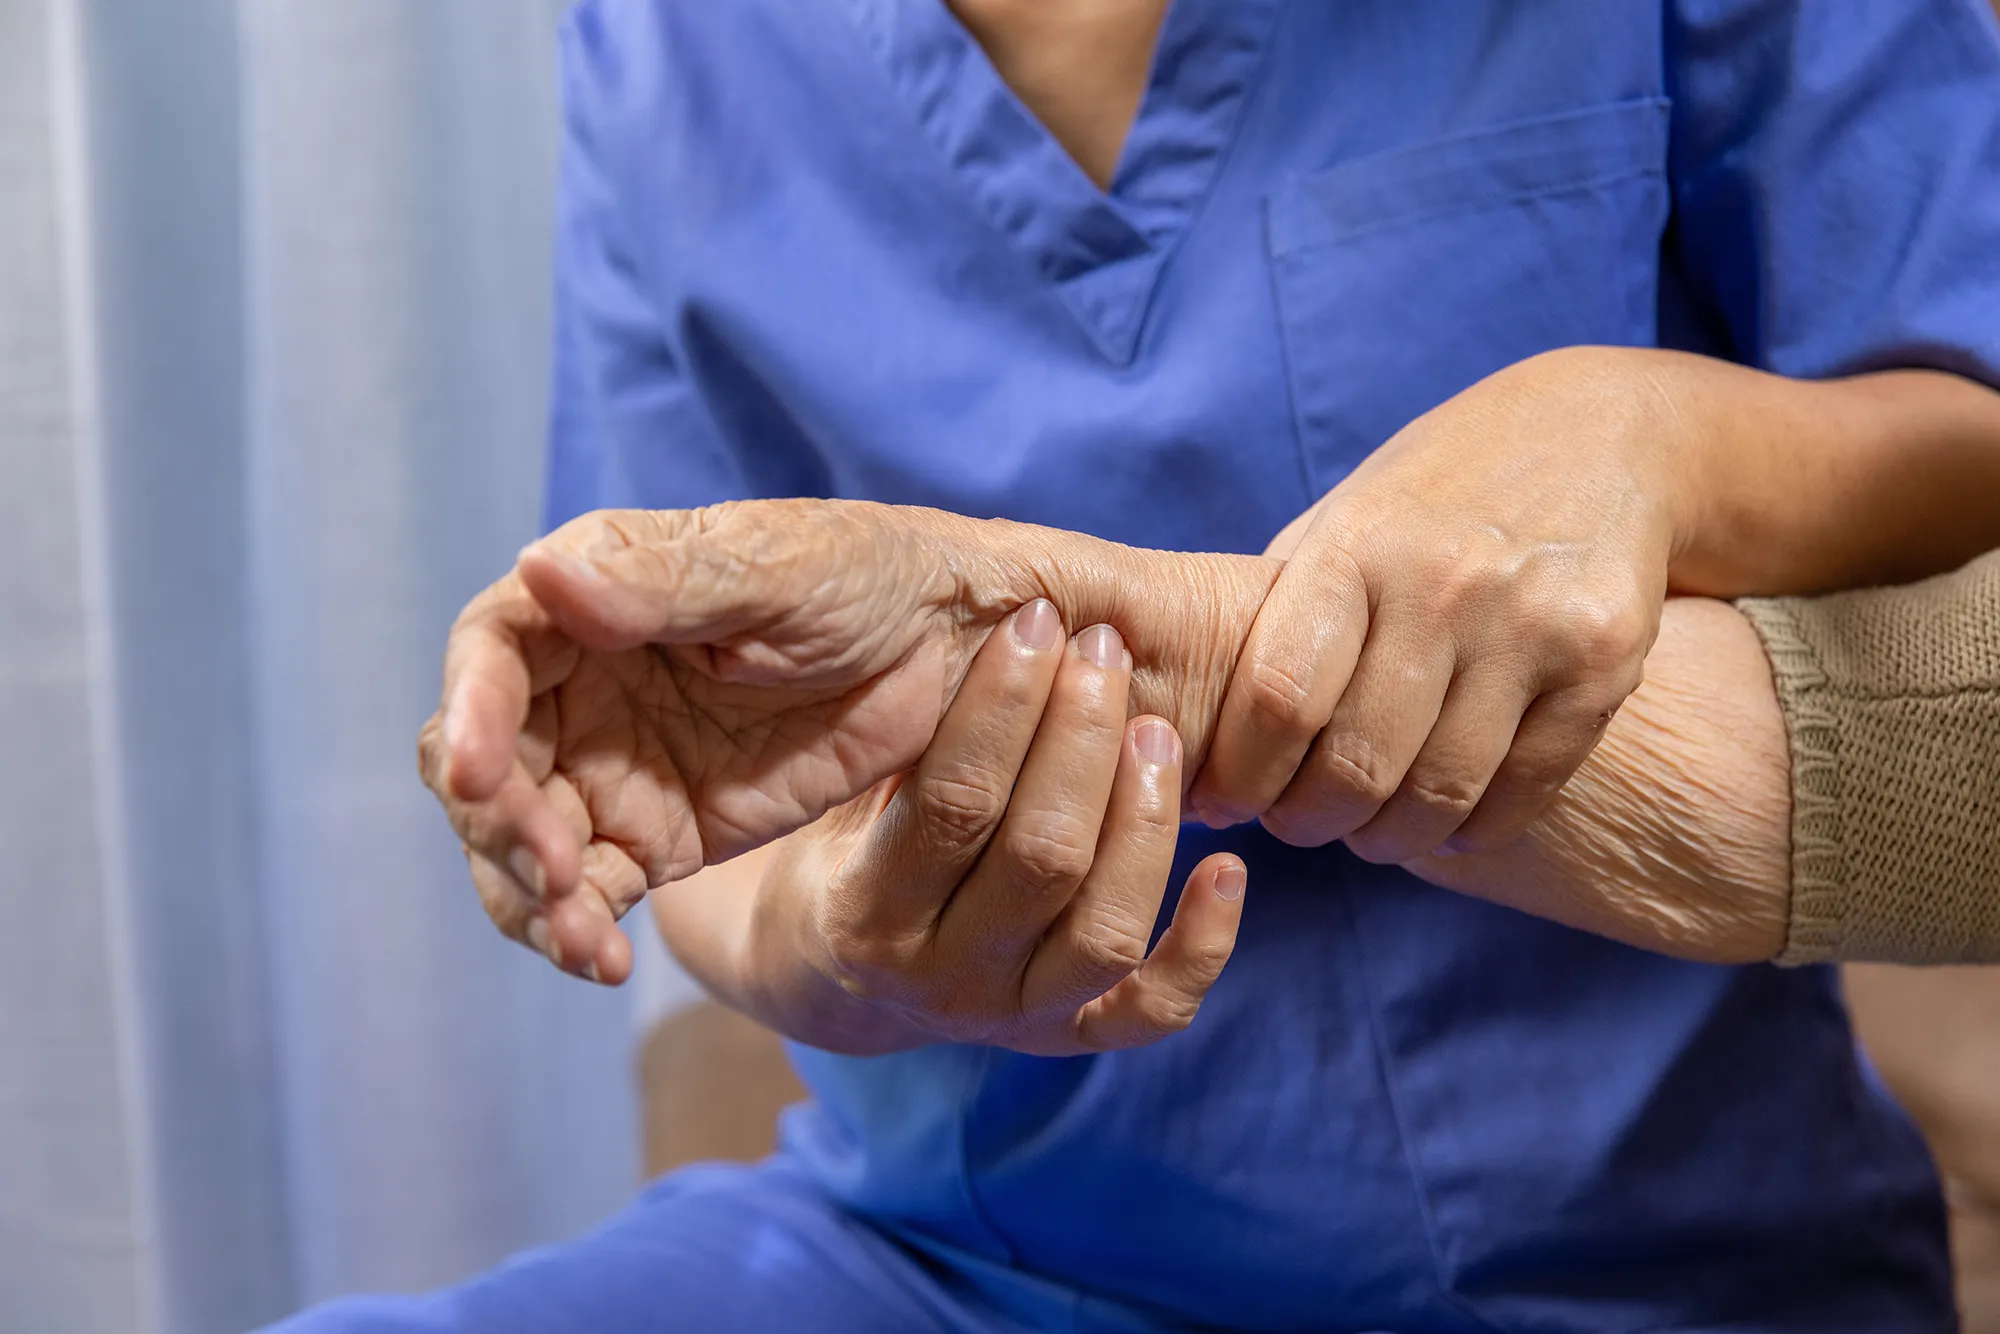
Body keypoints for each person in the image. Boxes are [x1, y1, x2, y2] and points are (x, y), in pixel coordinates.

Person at [276, 2, 2000, 1330]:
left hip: (1648, 1258)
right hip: (955, 1258)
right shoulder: (676, 48)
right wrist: (839, 947)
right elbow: (699, 795)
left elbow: (1963, 414)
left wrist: (1653, 437)